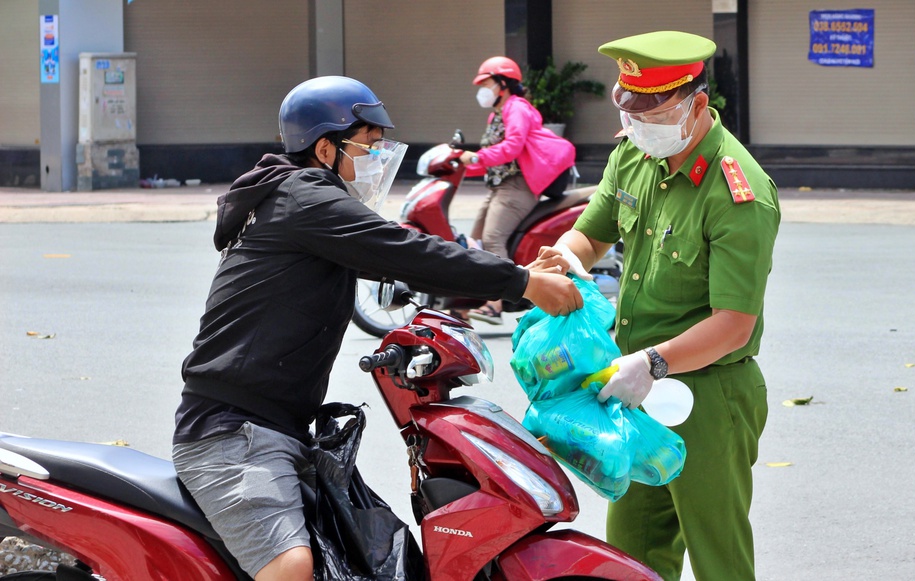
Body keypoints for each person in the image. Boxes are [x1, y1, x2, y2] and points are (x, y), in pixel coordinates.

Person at [171, 75, 582, 581]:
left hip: (273, 425)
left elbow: (398, 259)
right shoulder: (304, 198)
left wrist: (501, 282)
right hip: (232, 431)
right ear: (325, 147)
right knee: (293, 566)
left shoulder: (296, 202)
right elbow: (401, 249)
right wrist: (522, 282)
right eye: (368, 145)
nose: (379, 156)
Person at [543, 31, 781, 580]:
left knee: (717, 555)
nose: (636, 126)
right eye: (629, 110)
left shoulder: (735, 191)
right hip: (632, 390)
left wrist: (651, 363)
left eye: (653, 113)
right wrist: (563, 261)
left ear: (698, 104)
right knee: (632, 552)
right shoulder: (635, 154)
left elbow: (733, 327)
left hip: (707, 394)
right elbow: (591, 234)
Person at [457, 56, 576, 325]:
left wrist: (474, 158)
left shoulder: (517, 108)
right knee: (473, 242)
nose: (482, 90)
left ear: (503, 84)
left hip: (518, 186)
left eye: (486, 83)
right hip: (499, 185)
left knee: (493, 238)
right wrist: (458, 164)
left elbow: (512, 147)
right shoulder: (496, 114)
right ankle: (464, 306)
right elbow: (494, 158)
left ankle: (496, 304)